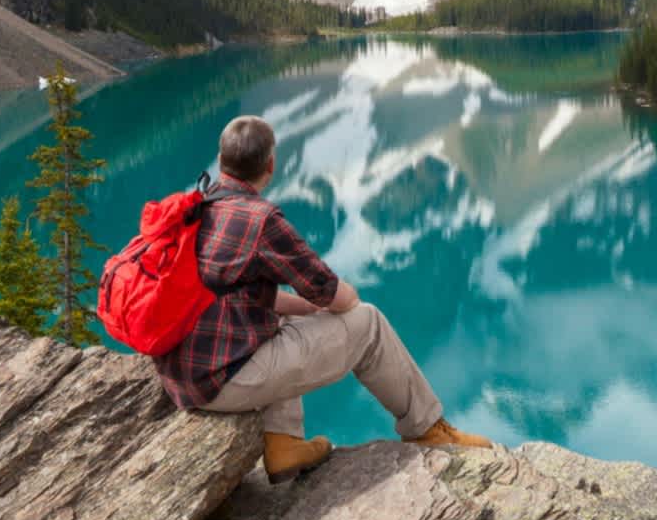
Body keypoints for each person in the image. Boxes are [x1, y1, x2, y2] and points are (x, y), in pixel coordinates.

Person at [154, 115, 491, 484]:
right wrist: (340, 303)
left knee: (282, 323)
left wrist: (306, 309)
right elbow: (334, 293)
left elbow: (239, 297)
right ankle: (426, 428)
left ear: (221, 162)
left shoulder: (200, 207)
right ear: (270, 165)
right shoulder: (261, 220)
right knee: (370, 323)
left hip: (181, 375)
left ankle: (283, 444)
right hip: (221, 382)